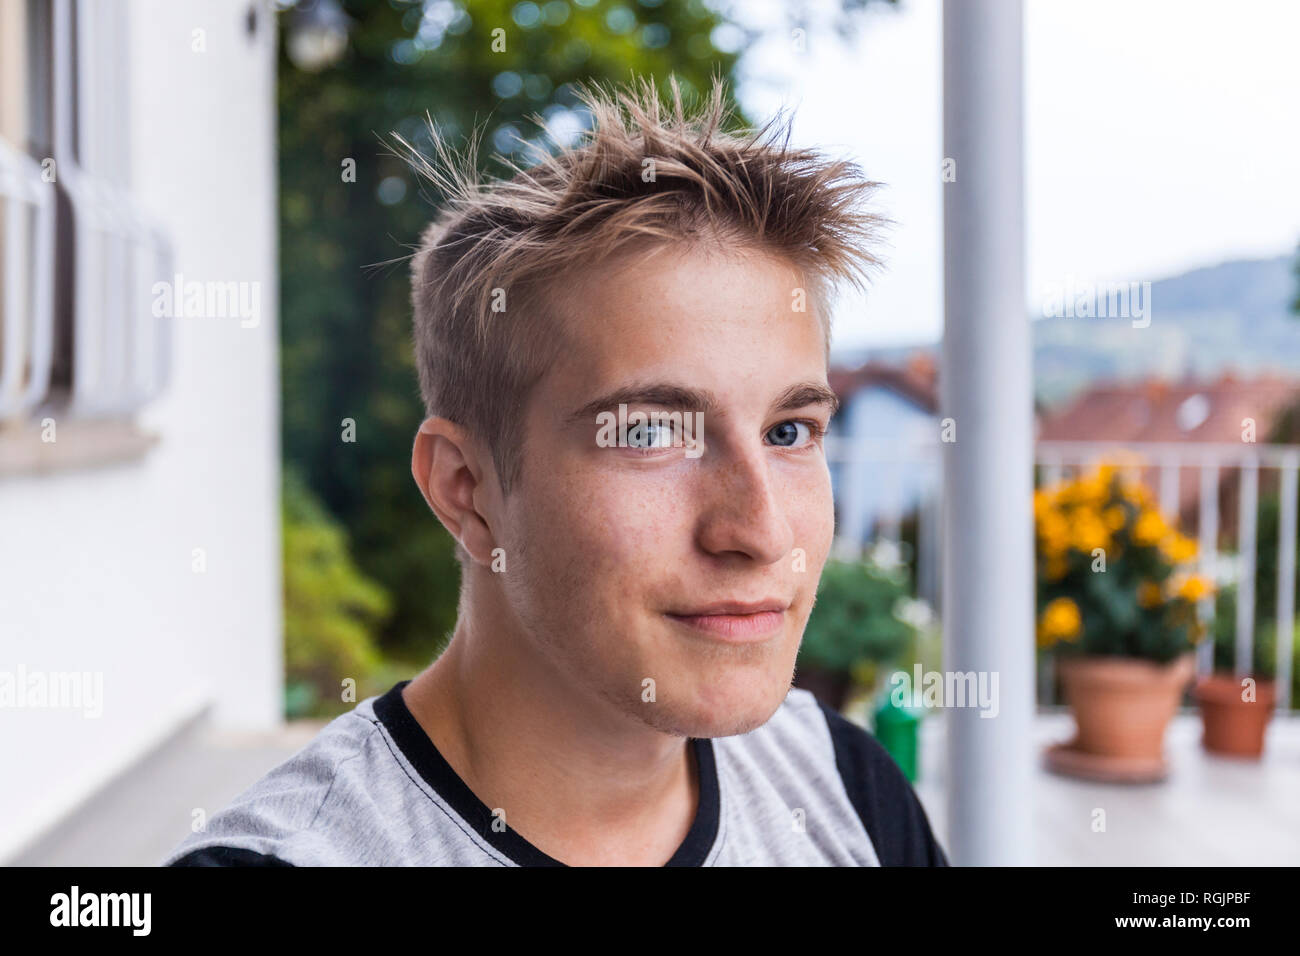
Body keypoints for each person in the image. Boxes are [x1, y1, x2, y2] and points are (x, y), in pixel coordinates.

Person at [164, 76, 949, 867]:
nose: (762, 530)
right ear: (465, 490)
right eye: (650, 431)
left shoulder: (847, 792)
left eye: (789, 430)